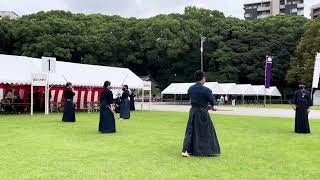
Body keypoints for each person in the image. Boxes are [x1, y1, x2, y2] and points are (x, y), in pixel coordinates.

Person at [181, 70, 220, 157]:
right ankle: (205, 151)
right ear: (203, 78)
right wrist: (211, 106)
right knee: (205, 131)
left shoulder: (190, 89)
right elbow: (213, 101)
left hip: (193, 111)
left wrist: (206, 106)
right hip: (202, 113)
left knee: (191, 130)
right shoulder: (206, 90)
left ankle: (186, 150)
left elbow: (193, 100)